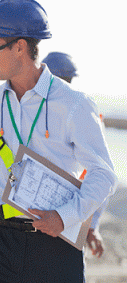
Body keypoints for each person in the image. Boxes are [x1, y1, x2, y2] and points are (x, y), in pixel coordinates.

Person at [0, 0, 117, 282]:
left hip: (56, 244)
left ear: (20, 47)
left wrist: (63, 217)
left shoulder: (74, 104)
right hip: (1, 241)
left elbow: (104, 175)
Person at [43, 51, 106, 258]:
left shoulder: (86, 116)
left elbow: (99, 175)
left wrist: (91, 225)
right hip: (48, 218)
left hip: (71, 218)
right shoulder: (34, 113)